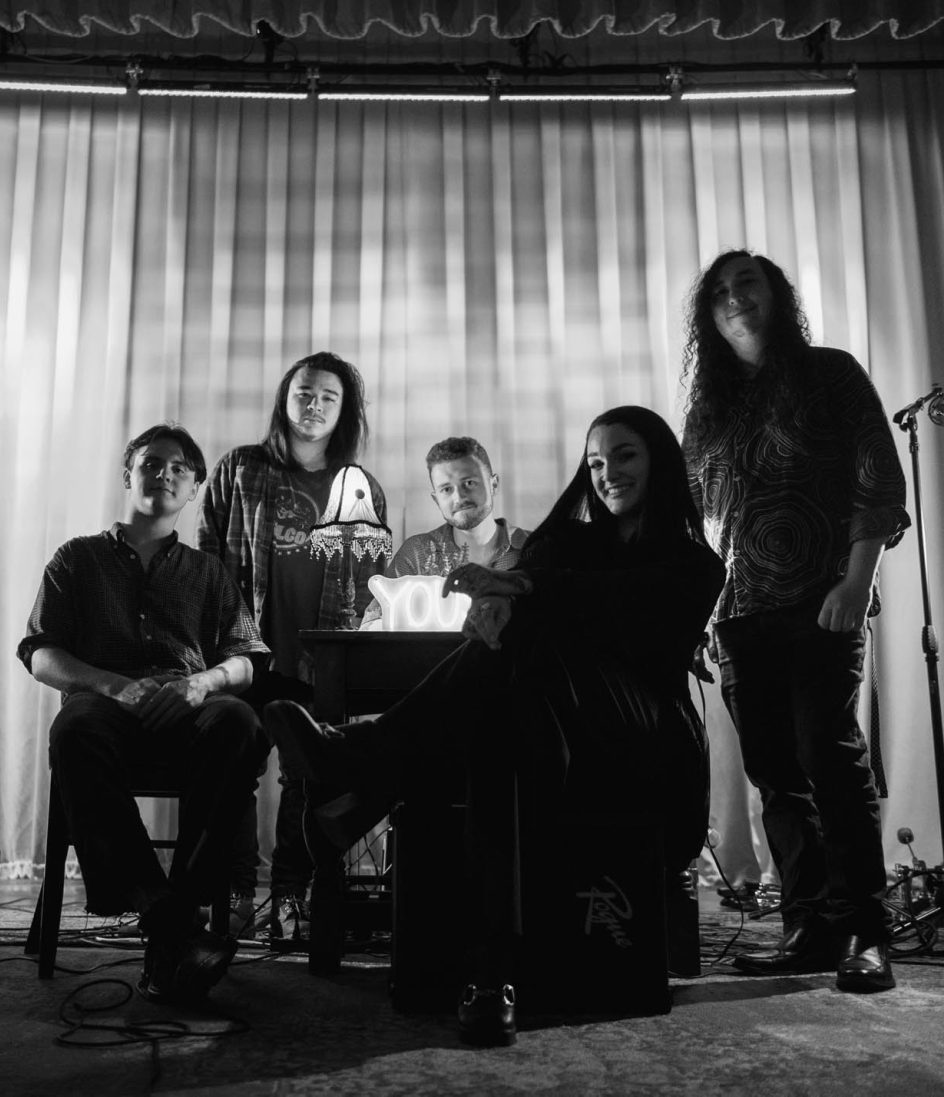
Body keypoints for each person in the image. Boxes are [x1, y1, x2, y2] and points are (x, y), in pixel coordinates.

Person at [265, 406, 723, 1046]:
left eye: (625, 456)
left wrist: (517, 595)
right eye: (595, 462)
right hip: (552, 730)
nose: (608, 472)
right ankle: (492, 971)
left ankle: (359, 774)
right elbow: (536, 582)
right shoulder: (570, 542)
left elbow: (618, 608)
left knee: (520, 650)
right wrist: (498, 600)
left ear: (658, 462)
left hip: (642, 738)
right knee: (501, 723)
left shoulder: (695, 563)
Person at [680, 250, 910, 994]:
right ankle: (809, 927)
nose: (735, 297)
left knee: (830, 758)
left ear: (775, 295)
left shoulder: (830, 374)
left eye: (748, 282)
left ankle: (867, 933)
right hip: (741, 616)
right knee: (777, 775)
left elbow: (877, 473)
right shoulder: (709, 412)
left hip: (823, 599)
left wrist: (857, 578)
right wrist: (700, 615)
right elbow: (695, 521)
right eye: (720, 291)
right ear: (707, 315)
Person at [18, 423, 269, 1002]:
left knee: (238, 723)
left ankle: (172, 911)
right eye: (152, 463)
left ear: (195, 489)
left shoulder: (208, 572)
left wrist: (200, 685)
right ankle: (170, 922)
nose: (165, 473)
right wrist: (113, 687)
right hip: (105, 715)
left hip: (186, 713)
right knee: (74, 727)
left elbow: (247, 660)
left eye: (180, 468)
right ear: (128, 475)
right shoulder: (76, 559)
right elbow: (40, 653)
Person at [198, 351, 390, 943]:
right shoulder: (239, 469)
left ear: (344, 412)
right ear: (285, 398)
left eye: (328, 398)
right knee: (234, 770)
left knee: (306, 782)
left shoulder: (358, 487)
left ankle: (290, 899)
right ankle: (231, 893)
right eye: (304, 393)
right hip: (243, 653)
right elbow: (207, 560)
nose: (314, 406)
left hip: (320, 659)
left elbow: (372, 580)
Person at [360, 436, 529, 628]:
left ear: (494, 484)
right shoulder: (417, 554)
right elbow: (371, 625)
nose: (459, 498)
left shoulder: (534, 549)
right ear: (436, 499)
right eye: (446, 489)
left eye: (469, 483)